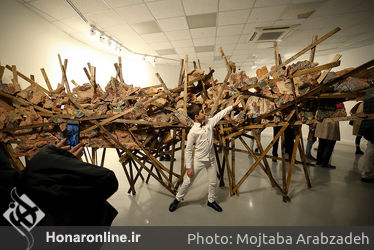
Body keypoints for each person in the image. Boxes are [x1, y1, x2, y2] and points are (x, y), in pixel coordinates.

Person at [169, 96, 242, 212]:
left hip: (211, 159)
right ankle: (177, 199)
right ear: (196, 117)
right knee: (188, 181)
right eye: (202, 112)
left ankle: (211, 201)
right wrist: (189, 167)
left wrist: (232, 106)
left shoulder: (209, 122)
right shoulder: (193, 131)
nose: (205, 113)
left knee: (213, 181)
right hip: (198, 160)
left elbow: (220, 114)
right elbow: (188, 150)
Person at [358, 97, 374, 182]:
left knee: (370, 151)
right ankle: (367, 174)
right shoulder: (369, 100)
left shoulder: (367, 100)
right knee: (371, 152)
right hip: (372, 128)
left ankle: (367, 173)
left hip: (369, 128)